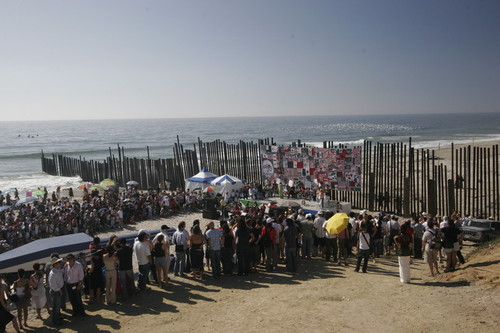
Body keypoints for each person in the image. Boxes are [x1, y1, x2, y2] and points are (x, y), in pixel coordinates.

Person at [48, 257, 65, 327]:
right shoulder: (53, 273)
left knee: (57, 306)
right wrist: (59, 290)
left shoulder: (57, 270)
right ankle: (55, 322)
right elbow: (52, 284)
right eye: (58, 263)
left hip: (57, 290)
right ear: (55, 264)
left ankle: (57, 319)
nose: (60, 263)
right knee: (56, 307)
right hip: (56, 291)